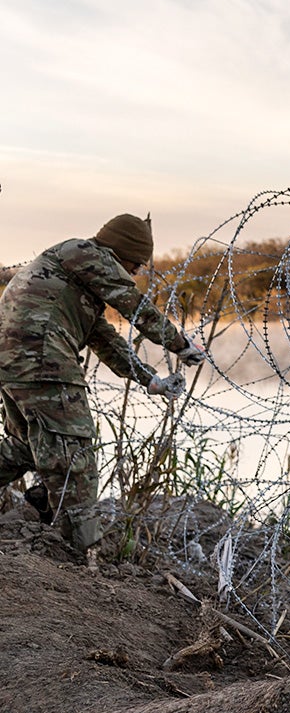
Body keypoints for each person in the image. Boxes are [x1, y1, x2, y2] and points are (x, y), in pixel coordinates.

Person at [0, 213, 204, 556]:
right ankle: (82, 550)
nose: (136, 272)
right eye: (136, 264)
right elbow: (132, 304)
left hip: (13, 361)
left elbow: (104, 339)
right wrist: (180, 343)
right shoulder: (86, 253)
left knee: (26, 447)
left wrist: (150, 380)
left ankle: (61, 527)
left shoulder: (71, 275)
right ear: (119, 252)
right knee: (75, 455)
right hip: (42, 359)